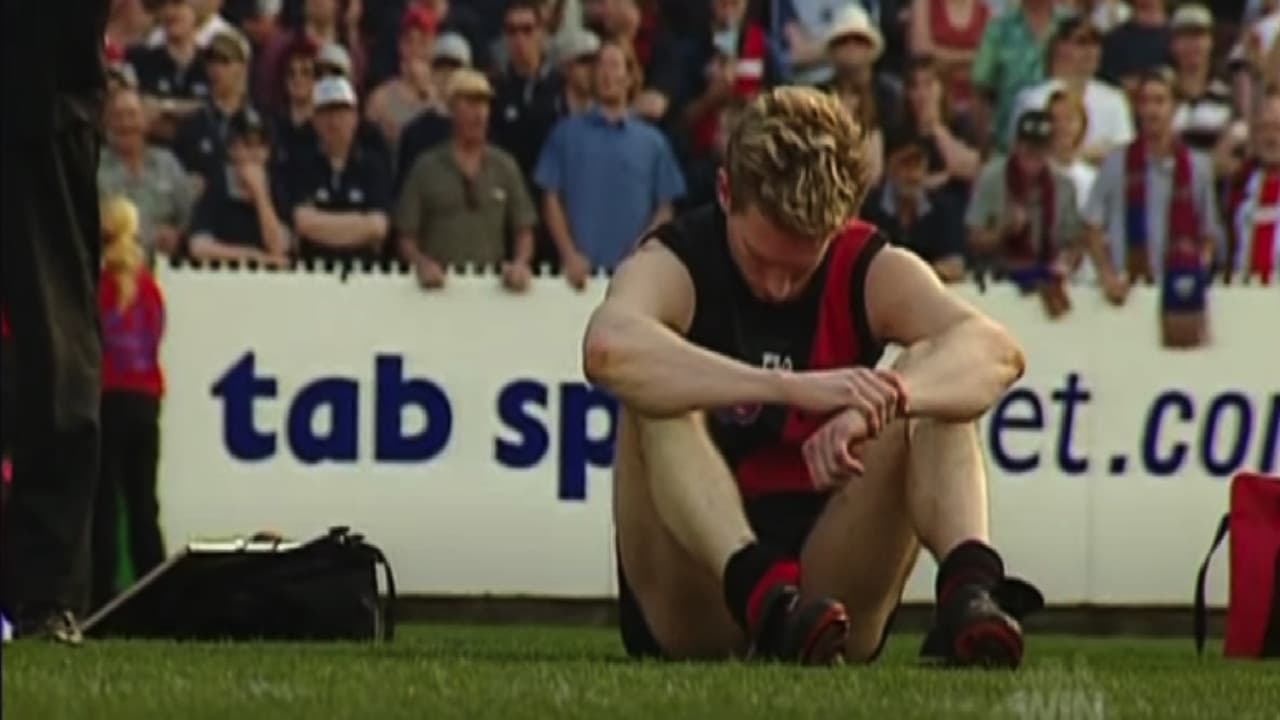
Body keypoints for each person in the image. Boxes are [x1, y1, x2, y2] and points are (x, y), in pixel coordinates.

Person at [581, 86, 1043, 666]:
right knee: (658, 389)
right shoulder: (680, 259)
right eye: (760, 259)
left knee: (938, 376)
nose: (777, 287)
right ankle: (763, 594)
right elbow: (609, 349)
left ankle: (970, 593)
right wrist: (786, 386)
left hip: (829, 589)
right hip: (697, 594)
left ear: (841, 223)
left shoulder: (867, 265)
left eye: (800, 266)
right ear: (725, 194)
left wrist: (891, 398)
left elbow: (997, 351)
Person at [2, 0, 111, 644]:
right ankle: (47, 596)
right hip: (48, 104)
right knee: (58, 351)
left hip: (46, 111)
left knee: (59, 354)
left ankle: (48, 596)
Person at [91, 196, 167, 611]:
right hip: (145, 400)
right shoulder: (149, 289)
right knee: (143, 502)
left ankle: (102, 593)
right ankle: (156, 590)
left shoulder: (99, 287)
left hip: (108, 397)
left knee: (105, 500)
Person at [396, 70, 537, 290]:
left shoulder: (504, 166)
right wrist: (420, 263)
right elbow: (406, 234)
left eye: (483, 104)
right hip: (440, 289)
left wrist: (520, 263)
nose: (478, 113)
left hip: (491, 288)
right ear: (451, 108)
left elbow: (524, 228)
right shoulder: (427, 167)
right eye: (470, 103)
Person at [188, 109, 292, 265]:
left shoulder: (276, 187)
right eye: (248, 145)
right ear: (231, 149)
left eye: (261, 145)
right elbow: (198, 246)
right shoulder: (219, 183)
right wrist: (250, 256)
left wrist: (260, 195)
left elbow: (279, 247)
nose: (255, 154)